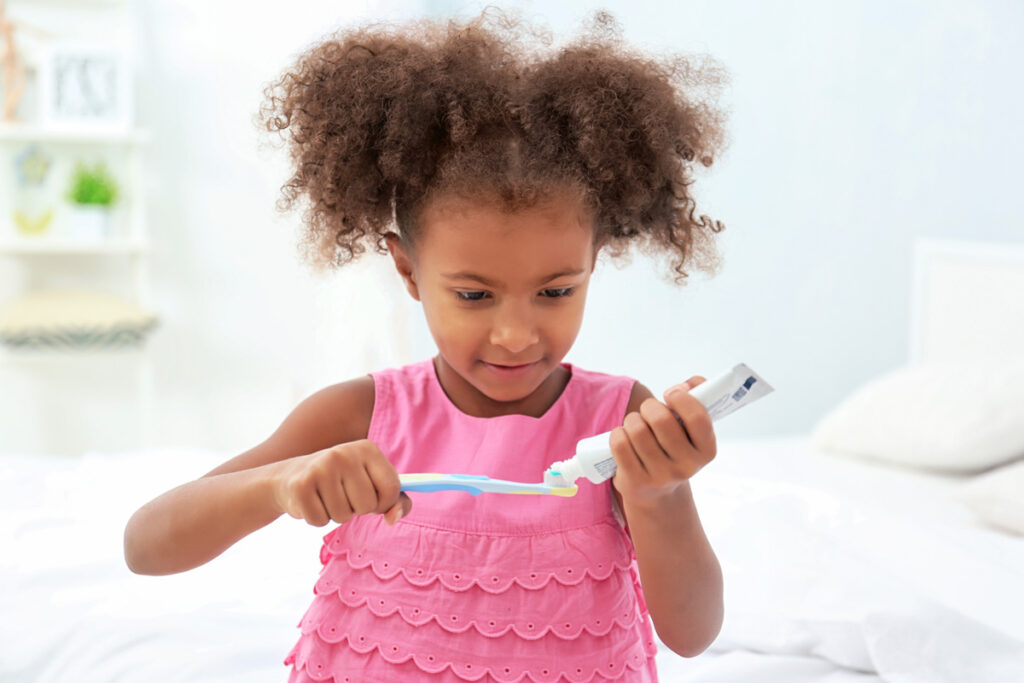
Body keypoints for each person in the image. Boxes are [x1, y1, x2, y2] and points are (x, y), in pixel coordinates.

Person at [124, 9, 730, 681]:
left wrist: (659, 496)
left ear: (595, 258)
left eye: (556, 291)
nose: (516, 334)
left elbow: (692, 632)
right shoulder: (357, 416)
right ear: (408, 271)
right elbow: (147, 543)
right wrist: (281, 481)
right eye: (474, 295)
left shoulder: (619, 422)